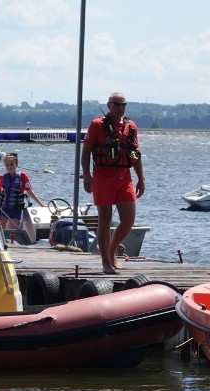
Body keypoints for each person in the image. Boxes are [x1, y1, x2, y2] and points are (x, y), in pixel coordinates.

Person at [80, 92, 144, 274]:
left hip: (125, 177)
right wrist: (87, 175)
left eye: (124, 104)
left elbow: (136, 155)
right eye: (117, 104)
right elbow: (86, 152)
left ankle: (112, 249)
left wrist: (141, 179)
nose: (121, 107)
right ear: (109, 105)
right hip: (102, 176)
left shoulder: (131, 127)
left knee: (128, 220)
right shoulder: (97, 125)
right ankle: (106, 262)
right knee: (105, 219)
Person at [0, 152, 43, 232]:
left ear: (16, 164)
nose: (9, 167)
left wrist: (41, 204)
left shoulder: (22, 177)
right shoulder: (2, 178)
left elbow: (29, 191)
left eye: (12, 164)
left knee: (11, 232)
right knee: (1, 232)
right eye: (7, 165)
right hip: (3, 209)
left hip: (16, 210)